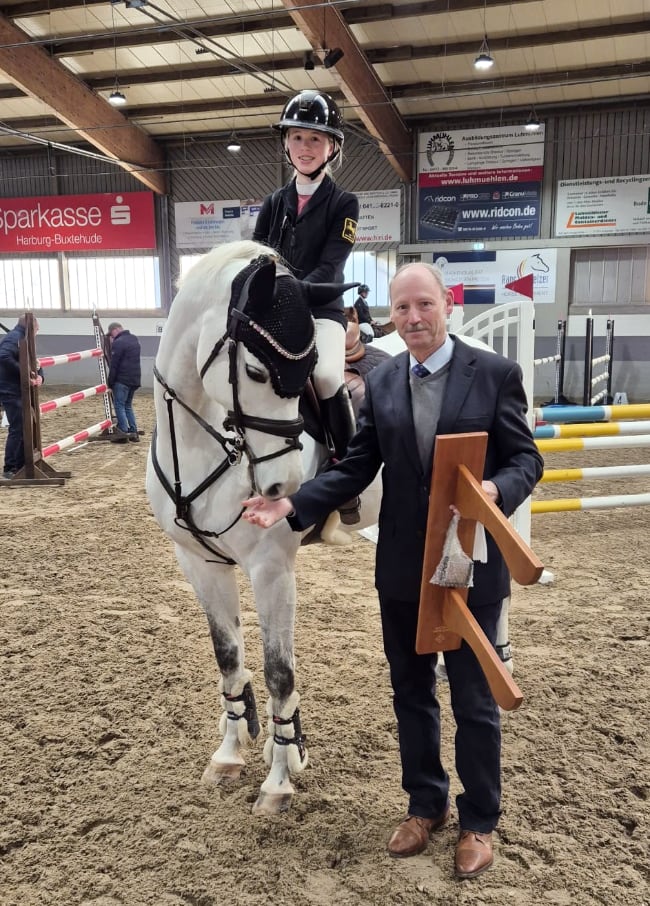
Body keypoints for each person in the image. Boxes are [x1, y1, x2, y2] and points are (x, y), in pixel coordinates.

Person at [241, 262, 544, 880]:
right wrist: (294, 503)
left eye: (423, 306)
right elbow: (356, 466)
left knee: (474, 700)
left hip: (470, 567)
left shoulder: (494, 374)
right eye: (401, 309)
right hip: (403, 568)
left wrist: (491, 488)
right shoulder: (381, 384)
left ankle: (479, 819)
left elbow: (526, 459)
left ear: (446, 307)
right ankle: (423, 804)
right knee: (411, 694)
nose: (412, 319)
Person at [253, 89, 360, 522]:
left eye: (315, 139)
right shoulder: (273, 203)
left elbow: (333, 264)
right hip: (277, 313)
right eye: (297, 137)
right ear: (286, 143)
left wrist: (291, 291)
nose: (305, 148)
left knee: (329, 374)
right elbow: (257, 256)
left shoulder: (344, 203)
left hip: (323, 309)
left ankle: (345, 466)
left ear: (331, 146)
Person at [0, 315, 43, 479]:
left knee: (24, 427)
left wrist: (40, 376)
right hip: (9, 390)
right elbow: (3, 357)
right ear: (32, 328)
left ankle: (20, 465)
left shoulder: (24, 339)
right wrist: (26, 373)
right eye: (37, 330)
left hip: (18, 389)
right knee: (18, 428)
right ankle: (10, 467)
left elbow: (34, 363)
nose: (37, 334)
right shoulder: (14, 338)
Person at [106, 322, 141, 443]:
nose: (112, 337)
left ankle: (123, 431)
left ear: (115, 330)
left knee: (119, 405)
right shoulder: (134, 339)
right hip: (135, 379)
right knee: (128, 406)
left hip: (122, 380)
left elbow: (114, 365)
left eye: (111, 335)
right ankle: (133, 431)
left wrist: (110, 383)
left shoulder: (118, 343)